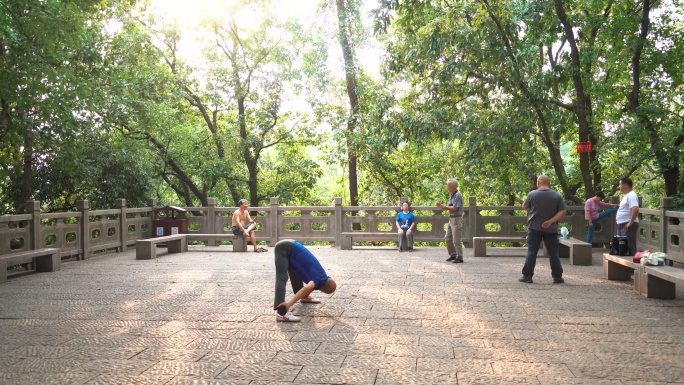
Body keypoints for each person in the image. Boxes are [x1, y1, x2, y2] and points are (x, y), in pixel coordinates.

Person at [273, 239, 337, 322]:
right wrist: (290, 303)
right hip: (283, 247)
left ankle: (304, 297)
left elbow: (311, 286)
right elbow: (307, 288)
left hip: (291, 246)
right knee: (282, 278)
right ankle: (281, 313)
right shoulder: (318, 281)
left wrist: (305, 295)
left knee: (297, 270)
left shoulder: (323, 276)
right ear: (323, 289)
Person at [519, 175, 567, 284]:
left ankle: (527, 276)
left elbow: (525, 206)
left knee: (532, 251)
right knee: (553, 253)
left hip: (534, 227)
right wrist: (550, 221)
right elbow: (563, 211)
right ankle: (557, 277)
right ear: (548, 183)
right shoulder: (557, 195)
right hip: (551, 228)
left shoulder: (532, 194)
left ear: (538, 182)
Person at [436, 179, 464, 263]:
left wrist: (443, 207)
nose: (447, 187)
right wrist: (443, 206)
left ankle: (460, 257)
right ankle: (453, 254)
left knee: (456, 239)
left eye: (448, 185)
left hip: (456, 219)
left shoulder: (458, 195)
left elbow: (455, 208)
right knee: (447, 238)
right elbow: (450, 206)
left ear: (452, 186)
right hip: (451, 219)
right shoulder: (452, 195)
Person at [616, 177, 639, 256]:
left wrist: (630, 222)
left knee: (628, 245)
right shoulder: (627, 195)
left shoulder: (631, 195)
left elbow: (635, 209)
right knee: (622, 245)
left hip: (627, 223)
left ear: (625, 185)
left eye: (620, 184)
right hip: (622, 223)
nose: (619, 186)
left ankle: (631, 264)